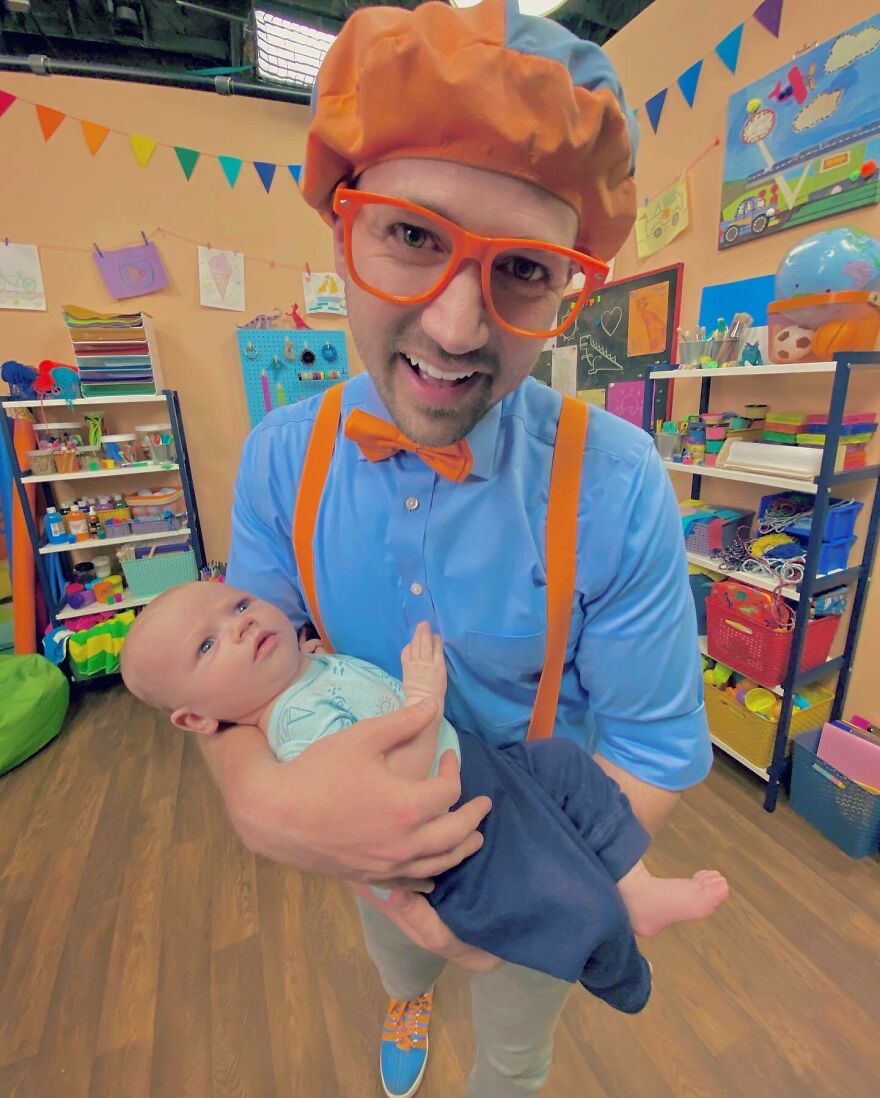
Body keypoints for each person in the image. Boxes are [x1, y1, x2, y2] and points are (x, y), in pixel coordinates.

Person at [196, 1, 714, 1095]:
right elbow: (238, 675)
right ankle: (402, 995)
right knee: (399, 955)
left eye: (522, 269)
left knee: (518, 1052)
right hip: (369, 847)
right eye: (413, 237)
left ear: (568, 287)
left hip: (551, 850)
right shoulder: (281, 461)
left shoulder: (617, 487)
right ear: (344, 230)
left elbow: (653, 745)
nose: (454, 328)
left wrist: (528, 890)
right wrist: (258, 801)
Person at [121, 582, 728, 1011]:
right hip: (459, 844)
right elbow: (398, 795)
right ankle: (623, 976)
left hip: (482, 770)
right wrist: (425, 696)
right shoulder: (295, 726)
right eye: (207, 646)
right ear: (197, 719)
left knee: (566, 766)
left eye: (239, 603)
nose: (239, 624)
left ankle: (639, 888)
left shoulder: (308, 670)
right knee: (572, 900)